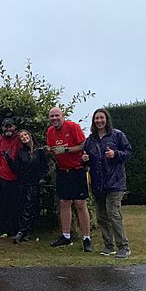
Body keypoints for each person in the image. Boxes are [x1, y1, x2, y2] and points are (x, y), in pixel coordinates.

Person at [82, 108, 132, 259]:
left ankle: (123, 247)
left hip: (115, 183)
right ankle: (108, 246)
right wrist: (84, 159)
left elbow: (128, 153)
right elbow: (86, 159)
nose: (99, 121)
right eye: (96, 118)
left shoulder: (117, 135)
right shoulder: (90, 140)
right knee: (101, 216)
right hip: (98, 184)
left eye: (101, 118)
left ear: (106, 119)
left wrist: (115, 154)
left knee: (113, 213)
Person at [46, 107, 92, 252]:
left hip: (77, 169)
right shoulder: (50, 131)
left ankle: (87, 238)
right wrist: (50, 151)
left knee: (80, 203)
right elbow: (53, 149)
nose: (54, 119)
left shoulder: (72, 126)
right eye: (52, 116)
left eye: (57, 116)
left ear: (62, 116)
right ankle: (66, 236)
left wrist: (65, 149)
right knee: (64, 202)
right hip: (62, 170)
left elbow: (83, 145)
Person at [5, 129, 48, 244]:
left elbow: (44, 167)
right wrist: (9, 160)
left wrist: (42, 178)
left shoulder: (39, 150)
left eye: (25, 135)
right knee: (22, 207)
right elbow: (17, 169)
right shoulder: (21, 151)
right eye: (21, 137)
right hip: (23, 182)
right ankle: (26, 232)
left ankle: (21, 232)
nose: (24, 137)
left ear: (29, 135)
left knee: (29, 207)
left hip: (34, 183)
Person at [0, 117, 22, 238]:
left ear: (14, 127)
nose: (8, 128)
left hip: (17, 176)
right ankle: (5, 229)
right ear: (2, 128)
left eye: (10, 126)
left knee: (16, 203)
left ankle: (17, 229)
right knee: (3, 205)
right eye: (6, 126)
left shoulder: (19, 139)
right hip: (2, 176)